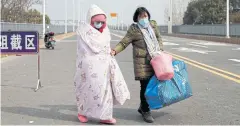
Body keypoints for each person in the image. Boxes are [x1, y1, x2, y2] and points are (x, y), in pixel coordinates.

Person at [74, 5, 130, 125]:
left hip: (104, 67)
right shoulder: (83, 32)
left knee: (105, 91)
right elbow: (83, 51)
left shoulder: (105, 32)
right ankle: (82, 112)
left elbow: (106, 48)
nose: (99, 24)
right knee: (86, 89)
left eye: (101, 22)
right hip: (88, 68)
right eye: (96, 22)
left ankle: (105, 115)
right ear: (90, 20)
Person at [111, 7, 164, 123]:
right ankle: (146, 110)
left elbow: (159, 38)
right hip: (142, 63)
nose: (144, 18)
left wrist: (160, 49)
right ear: (136, 18)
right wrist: (115, 51)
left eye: (145, 16)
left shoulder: (153, 26)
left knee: (154, 85)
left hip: (156, 61)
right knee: (145, 86)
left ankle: (142, 106)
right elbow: (124, 42)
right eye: (141, 16)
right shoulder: (134, 30)